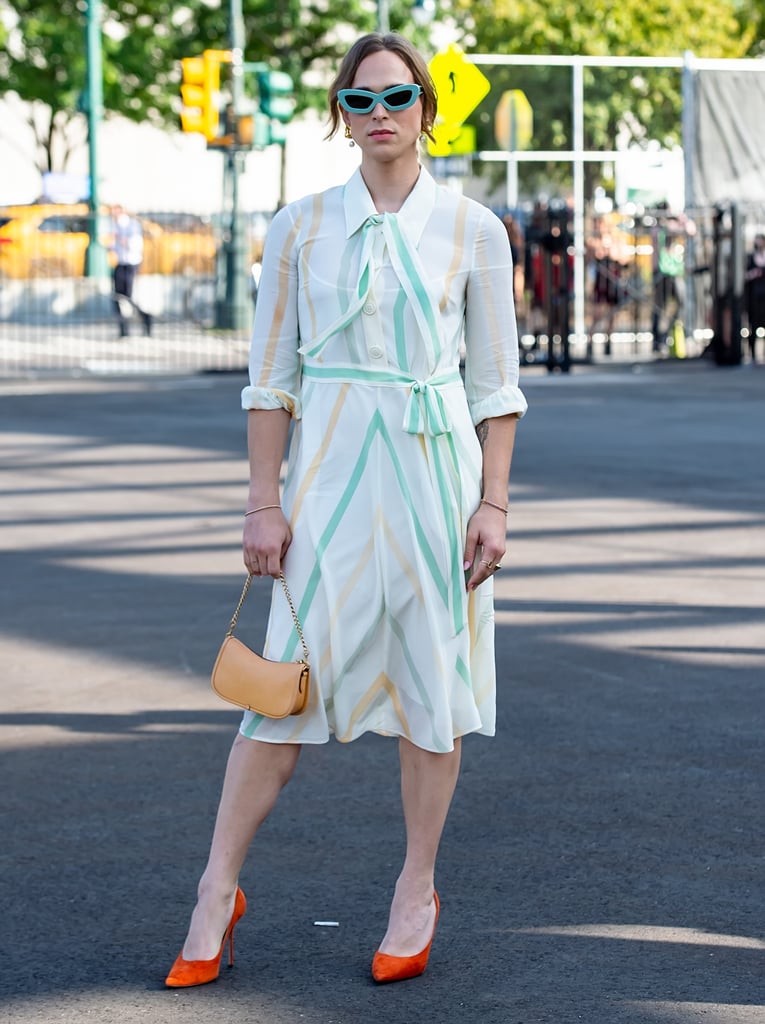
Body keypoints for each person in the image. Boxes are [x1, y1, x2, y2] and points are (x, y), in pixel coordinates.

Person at [165, 32, 527, 990]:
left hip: (432, 471)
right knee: (280, 688)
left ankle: (416, 888)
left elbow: (494, 386)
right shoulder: (297, 225)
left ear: (425, 108)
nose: (379, 116)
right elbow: (269, 379)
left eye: (396, 97)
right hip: (324, 476)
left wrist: (492, 501)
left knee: (430, 690)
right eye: (360, 101)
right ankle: (214, 891)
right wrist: (260, 504)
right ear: (339, 112)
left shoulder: (473, 230)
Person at [107, 205, 152, 337]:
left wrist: (120, 238)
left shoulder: (131, 226)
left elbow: (134, 245)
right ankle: (123, 329)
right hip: (120, 263)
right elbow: (113, 247)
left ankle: (146, 319)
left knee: (128, 297)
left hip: (131, 264)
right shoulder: (115, 226)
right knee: (116, 297)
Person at [745, 233, 765, 363]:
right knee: (754, 324)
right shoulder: (750, 257)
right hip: (754, 296)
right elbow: (745, 275)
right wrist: (753, 274)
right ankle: (753, 354)